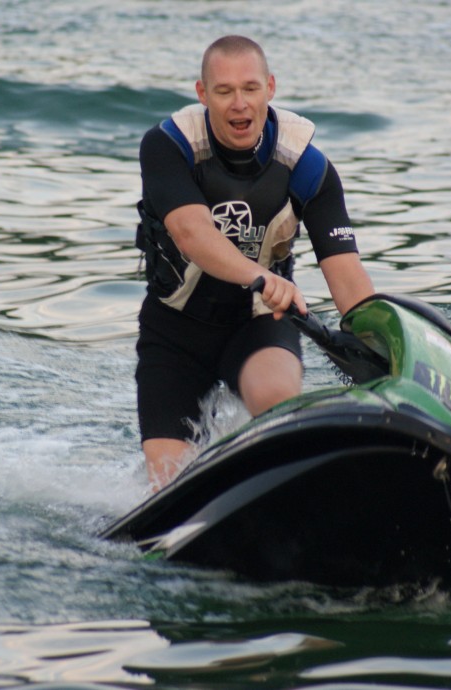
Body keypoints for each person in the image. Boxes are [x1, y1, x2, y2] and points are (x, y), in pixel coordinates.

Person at [134, 35, 375, 489]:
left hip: (261, 323)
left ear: (270, 88)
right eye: (224, 91)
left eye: (250, 88)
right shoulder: (167, 146)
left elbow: (347, 275)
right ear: (203, 94)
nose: (239, 103)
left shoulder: (308, 167)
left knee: (277, 401)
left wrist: (383, 345)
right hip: (173, 332)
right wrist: (260, 276)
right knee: (169, 484)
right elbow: (191, 232)